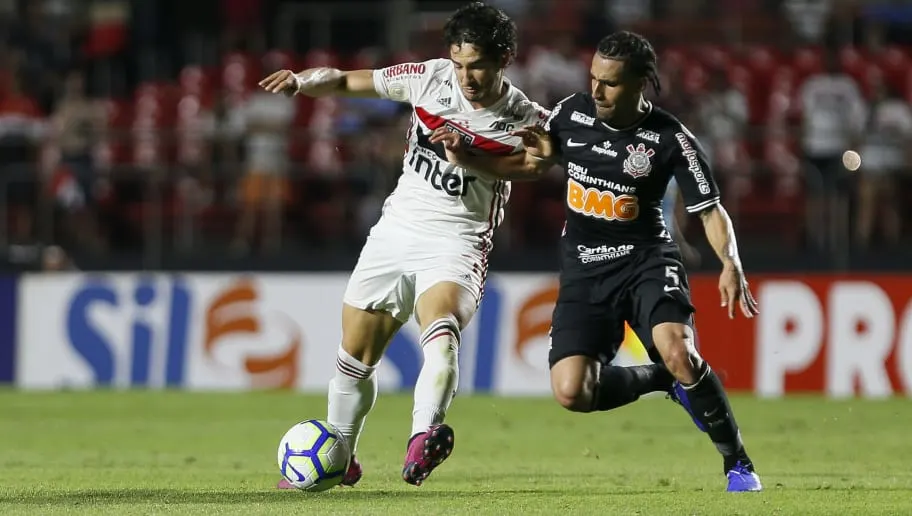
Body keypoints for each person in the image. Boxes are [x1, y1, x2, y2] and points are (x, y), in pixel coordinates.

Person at [436, 31, 762, 492]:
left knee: (681, 353)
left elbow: (709, 209)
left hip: (647, 260)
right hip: (585, 270)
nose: (596, 90)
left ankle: (738, 464)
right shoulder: (570, 113)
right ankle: (659, 381)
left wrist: (730, 263)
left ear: (640, 84)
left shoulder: (671, 139)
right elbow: (530, 165)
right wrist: (468, 158)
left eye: (609, 83)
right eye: (593, 78)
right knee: (571, 391)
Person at [259, 2, 546, 488]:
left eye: (477, 65)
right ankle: (342, 454)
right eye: (459, 63)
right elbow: (351, 81)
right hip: (395, 232)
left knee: (441, 327)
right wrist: (303, 81)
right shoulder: (428, 78)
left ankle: (422, 439)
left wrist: (470, 157)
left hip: (458, 239)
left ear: (504, 58)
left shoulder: (524, 116)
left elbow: (534, 166)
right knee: (354, 356)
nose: (466, 77)